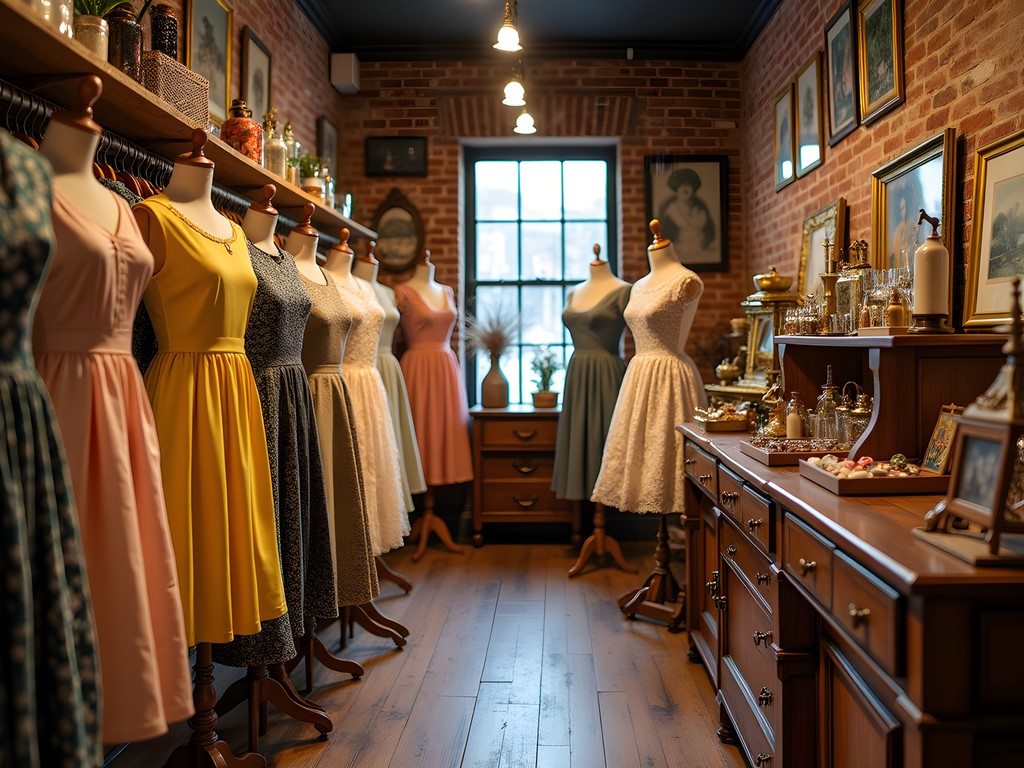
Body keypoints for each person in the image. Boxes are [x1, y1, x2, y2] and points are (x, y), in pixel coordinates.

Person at [657, 168, 716, 263]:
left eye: (689, 186)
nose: (685, 189)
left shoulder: (700, 208)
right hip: (679, 249)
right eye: (682, 185)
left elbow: (707, 230)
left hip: (699, 248)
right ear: (676, 189)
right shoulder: (670, 210)